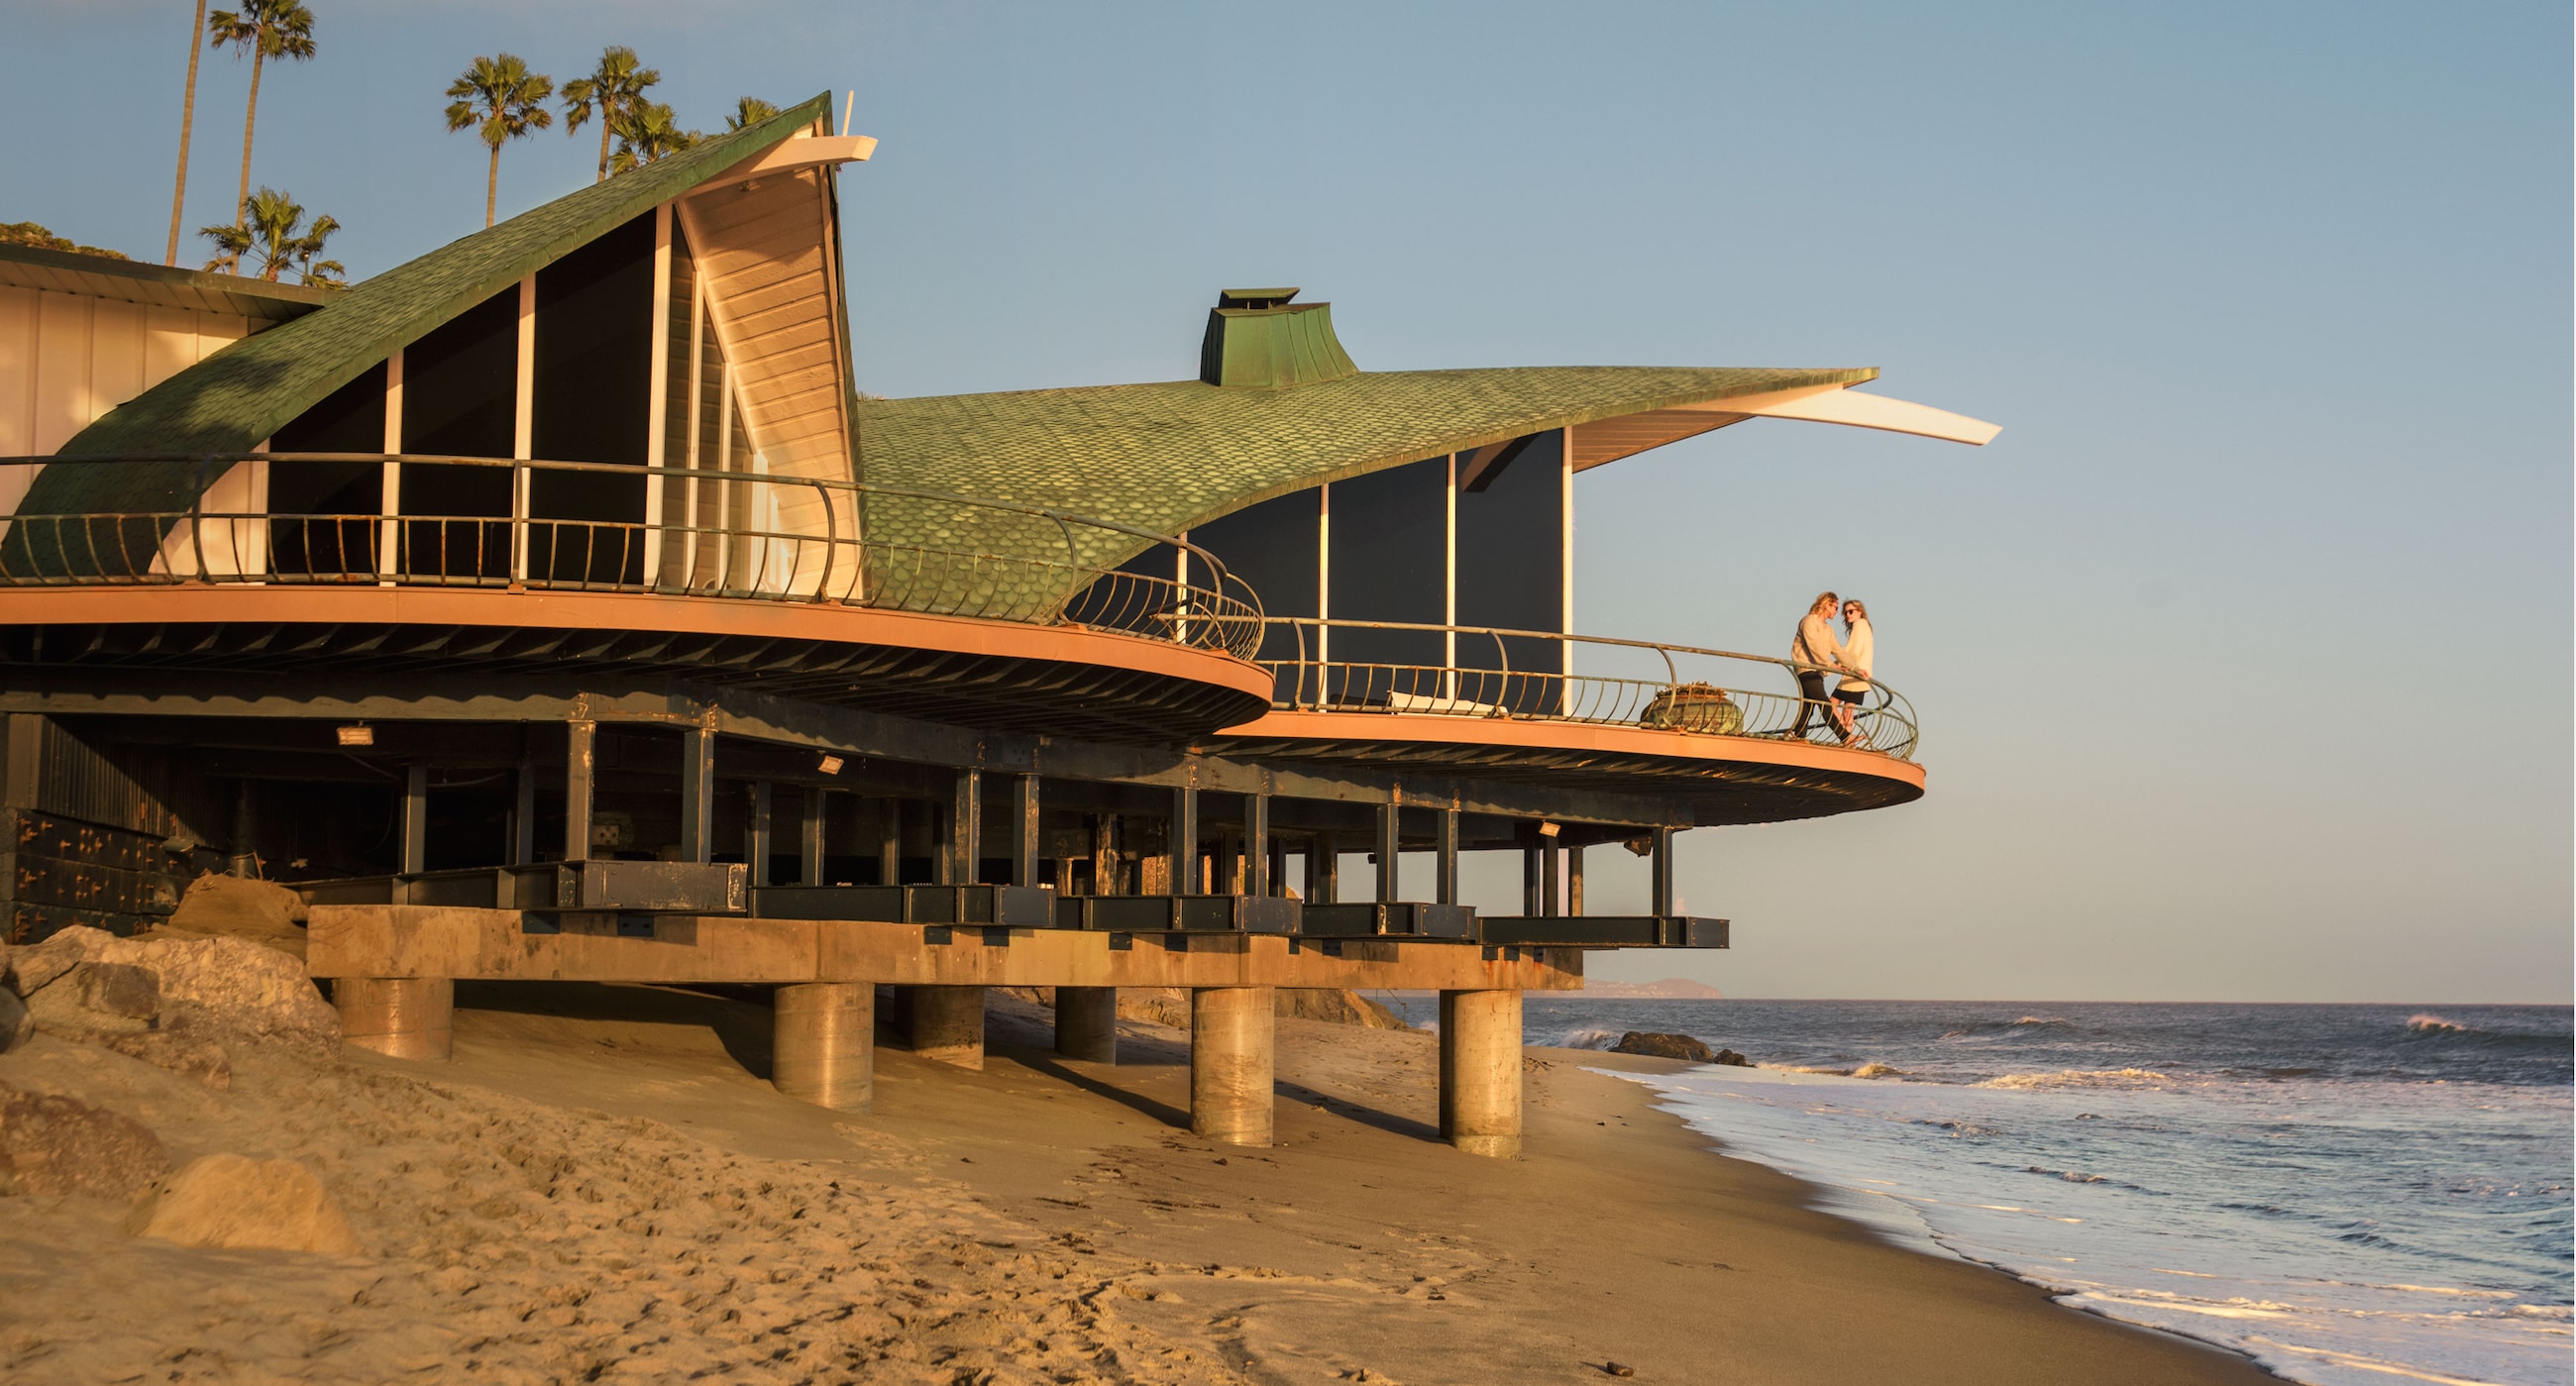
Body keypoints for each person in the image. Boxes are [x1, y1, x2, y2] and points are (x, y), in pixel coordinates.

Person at [1787, 591, 1842, 741]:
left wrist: (1855, 668)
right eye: (1836, 608)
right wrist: (1830, 664)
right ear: (1827, 604)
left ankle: (1797, 736)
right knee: (1824, 703)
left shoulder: (1828, 630)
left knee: (1808, 707)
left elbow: (1838, 651)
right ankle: (1844, 736)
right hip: (1806, 669)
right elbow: (1814, 647)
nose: (1837, 612)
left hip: (1817, 671)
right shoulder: (1809, 621)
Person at [1831, 597, 1874, 746]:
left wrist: (1834, 664)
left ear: (1859, 612)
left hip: (1855, 674)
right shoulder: (1865, 626)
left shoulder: (1860, 624)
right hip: (1856, 674)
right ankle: (1848, 738)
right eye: (1845, 612)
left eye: (1851, 611)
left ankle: (1848, 738)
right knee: (1846, 709)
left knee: (1835, 706)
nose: (1848, 615)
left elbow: (1852, 649)